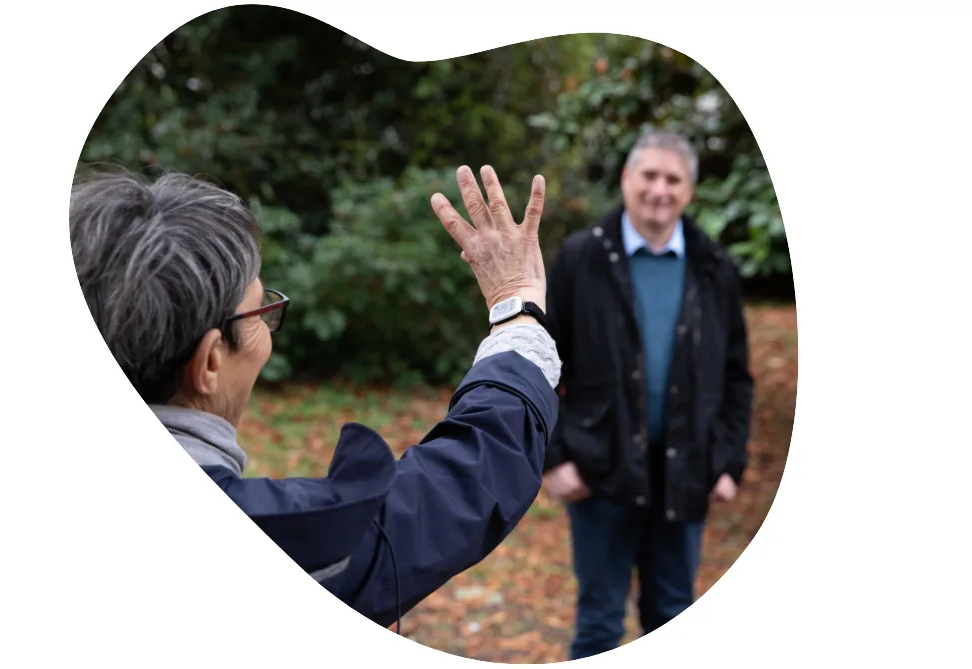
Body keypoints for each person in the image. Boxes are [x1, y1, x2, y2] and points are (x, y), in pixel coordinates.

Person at [69, 163, 561, 632]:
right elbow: (458, 486)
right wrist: (515, 307)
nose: (268, 327)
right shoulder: (284, 541)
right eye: (261, 311)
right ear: (210, 362)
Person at [542, 129, 754, 657]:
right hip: (599, 473)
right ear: (626, 180)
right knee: (598, 627)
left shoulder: (713, 265)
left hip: (685, 476)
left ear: (689, 191)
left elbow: (736, 376)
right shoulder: (580, 256)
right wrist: (553, 459)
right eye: (649, 176)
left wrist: (728, 461)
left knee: (673, 620)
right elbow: (539, 363)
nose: (659, 189)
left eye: (673, 179)